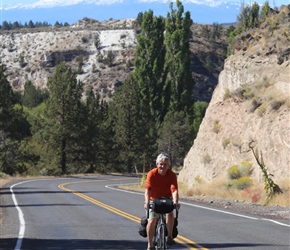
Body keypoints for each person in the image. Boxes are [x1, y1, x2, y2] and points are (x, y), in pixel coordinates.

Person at [144, 153, 180, 250]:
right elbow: (148, 189)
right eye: (161, 164)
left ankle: (169, 237)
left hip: (167, 198)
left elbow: (174, 189)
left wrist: (175, 202)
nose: (163, 166)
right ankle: (150, 244)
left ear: (169, 166)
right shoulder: (152, 173)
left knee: (170, 214)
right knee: (152, 220)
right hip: (153, 199)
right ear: (157, 164)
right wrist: (147, 202)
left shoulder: (171, 175)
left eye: (165, 164)